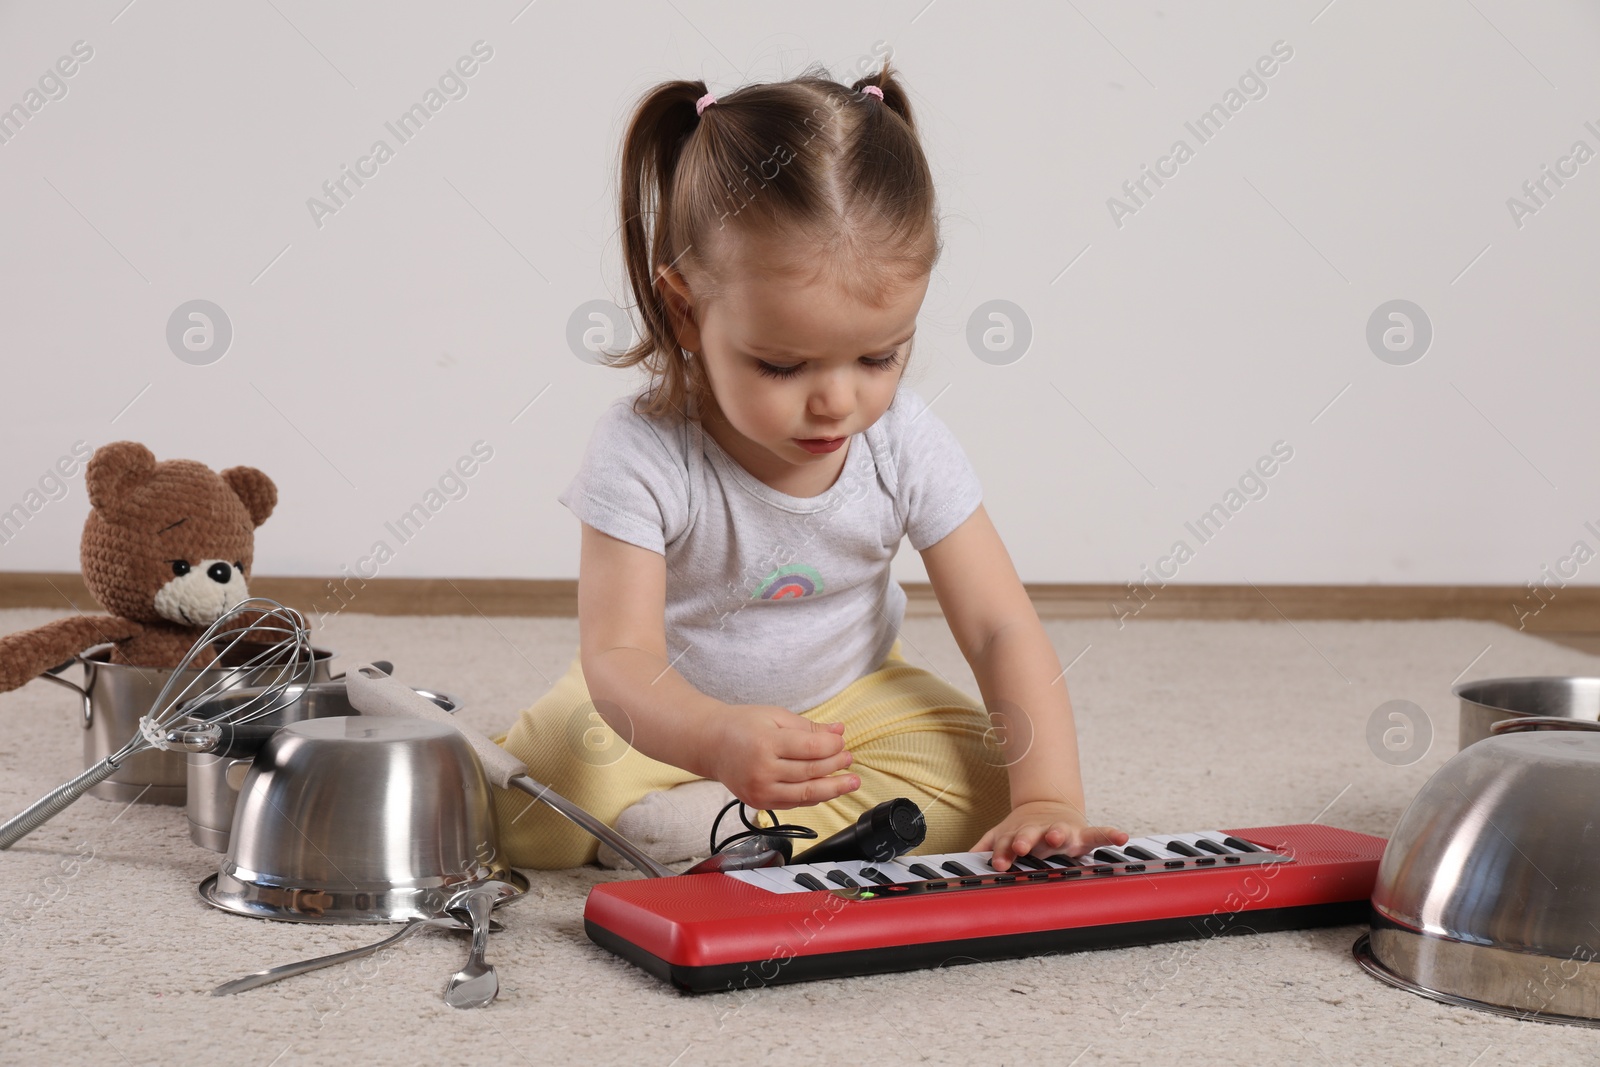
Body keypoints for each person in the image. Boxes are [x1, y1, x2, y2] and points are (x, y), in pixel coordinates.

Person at [490, 61, 1126, 873]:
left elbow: (1001, 627)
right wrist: (711, 734)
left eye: (878, 356)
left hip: (845, 707)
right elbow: (620, 658)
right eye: (784, 367)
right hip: (659, 710)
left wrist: (1049, 798)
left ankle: (708, 828)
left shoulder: (904, 440)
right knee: (525, 805)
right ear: (688, 311)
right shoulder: (642, 450)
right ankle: (712, 815)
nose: (837, 403)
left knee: (998, 784)